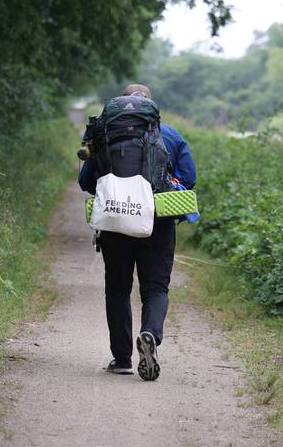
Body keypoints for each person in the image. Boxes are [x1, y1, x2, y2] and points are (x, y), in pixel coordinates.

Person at [78, 84, 196, 381]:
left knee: (118, 289)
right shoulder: (169, 135)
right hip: (157, 221)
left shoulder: (104, 132)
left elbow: (86, 180)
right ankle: (150, 335)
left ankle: (121, 359)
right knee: (155, 288)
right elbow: (190, 179)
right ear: (152, 108)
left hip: (116, 224)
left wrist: (116, 192)